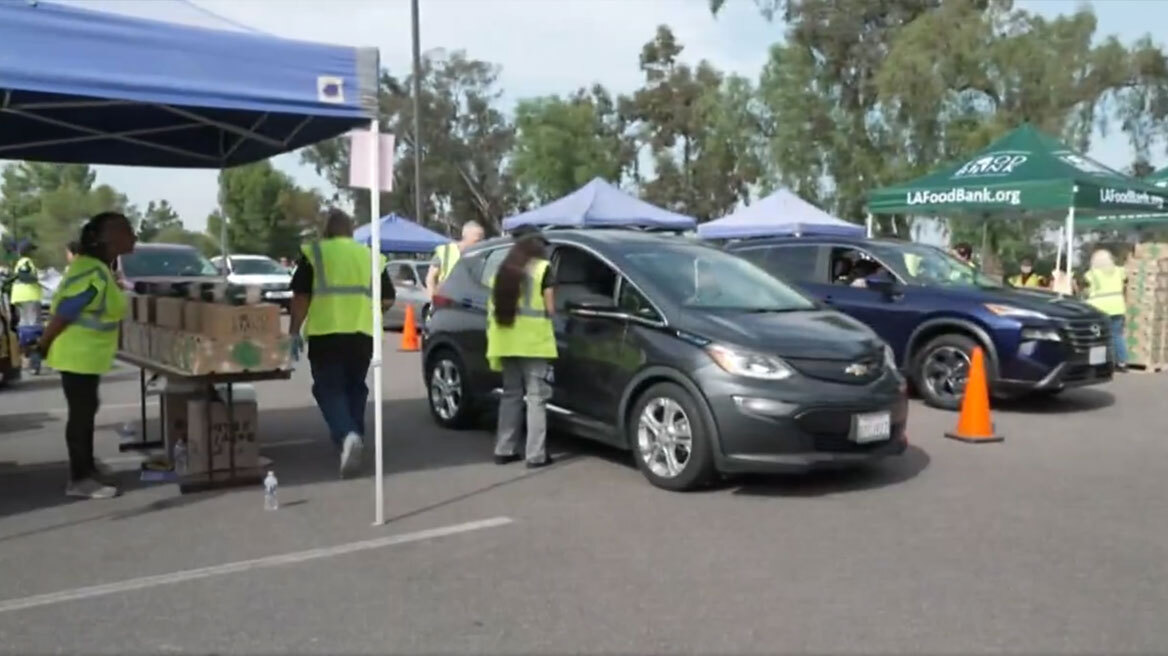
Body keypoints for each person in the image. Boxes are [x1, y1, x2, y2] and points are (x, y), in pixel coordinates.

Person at [289, 208, 395, 477]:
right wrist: (369, 312)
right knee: (355, 387)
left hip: (327, 333)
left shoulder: (316, 254)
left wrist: (293, 331)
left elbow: (301, 297)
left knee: (328, 389)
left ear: (326, 230)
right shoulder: (370, 256)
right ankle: (354, 437)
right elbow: (387, 299)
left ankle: (347, 435)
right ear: (350, 230)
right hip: (362, 333)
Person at [37, 212, 136, 499]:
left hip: (86, 356)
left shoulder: (97, 268)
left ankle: (88, 468)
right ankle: (79, 479)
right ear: (108, 239)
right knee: (80, 416)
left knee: (87, 411)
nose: (133, 236)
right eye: (126, 231)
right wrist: (42, 344)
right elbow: (66, 311)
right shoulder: (93, 272)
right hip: (76, 355)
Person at [487, 234, 557, 468]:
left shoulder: (504, 269)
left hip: (506, 341)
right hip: (533, 343)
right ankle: (535, 455)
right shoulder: (543, 269)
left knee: (511, 395)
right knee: (537, 398)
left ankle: (504, 449)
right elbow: (550, 308)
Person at [1083, 247, 1128, 371]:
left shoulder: (1092, 274)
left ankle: (1100, 362)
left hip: (1099, 309)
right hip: (1118, 307)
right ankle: (1122, 362)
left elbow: (1087, 290)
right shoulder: (1120, 271)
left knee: (1098, 336)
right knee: (1117, 335)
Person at [426, 220, 484, 300]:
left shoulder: (481, 254)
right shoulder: (445, 251)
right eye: (477, 240)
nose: (480, 243)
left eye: (482, 240)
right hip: (447, 300)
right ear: (464, 235)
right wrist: (432, 298)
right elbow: (430, 278)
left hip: (470, 301)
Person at [10, 242, 42, 328]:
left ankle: (24, 339)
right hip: (29, 295)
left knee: (24, 322)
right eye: (33, 250)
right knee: (33, 322)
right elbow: (25, 275)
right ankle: (32, 340)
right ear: (28, 252)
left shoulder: (19, 262)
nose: (35, 253)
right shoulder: (26, 262)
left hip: (19, 296)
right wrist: (38, 279)